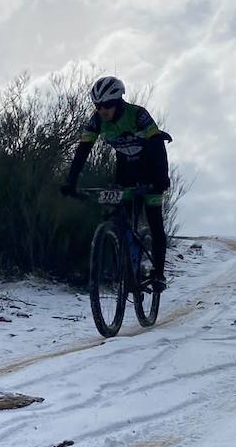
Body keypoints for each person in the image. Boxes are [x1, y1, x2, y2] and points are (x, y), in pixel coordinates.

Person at [60, 76, 172, 291]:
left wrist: (161, 179)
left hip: (150, 168)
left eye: (108, 105)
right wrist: (70, 181)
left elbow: (157, 145)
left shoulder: (138, 115)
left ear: (119, 101)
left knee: (154, 220)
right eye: (98, 106)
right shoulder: (97, 120)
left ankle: (158, 274)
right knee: (118, 217)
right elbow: (83, 151)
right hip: (125, 170)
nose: (103, 110)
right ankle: (123, 263)